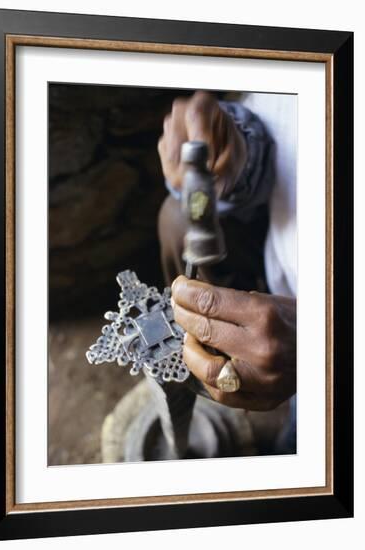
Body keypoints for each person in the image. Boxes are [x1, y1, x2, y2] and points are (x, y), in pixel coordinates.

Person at [157, 90, 297, 451]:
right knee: (175, 220)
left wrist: (329, 346)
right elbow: (292, 148)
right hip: (284, 260)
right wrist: (238, 152)